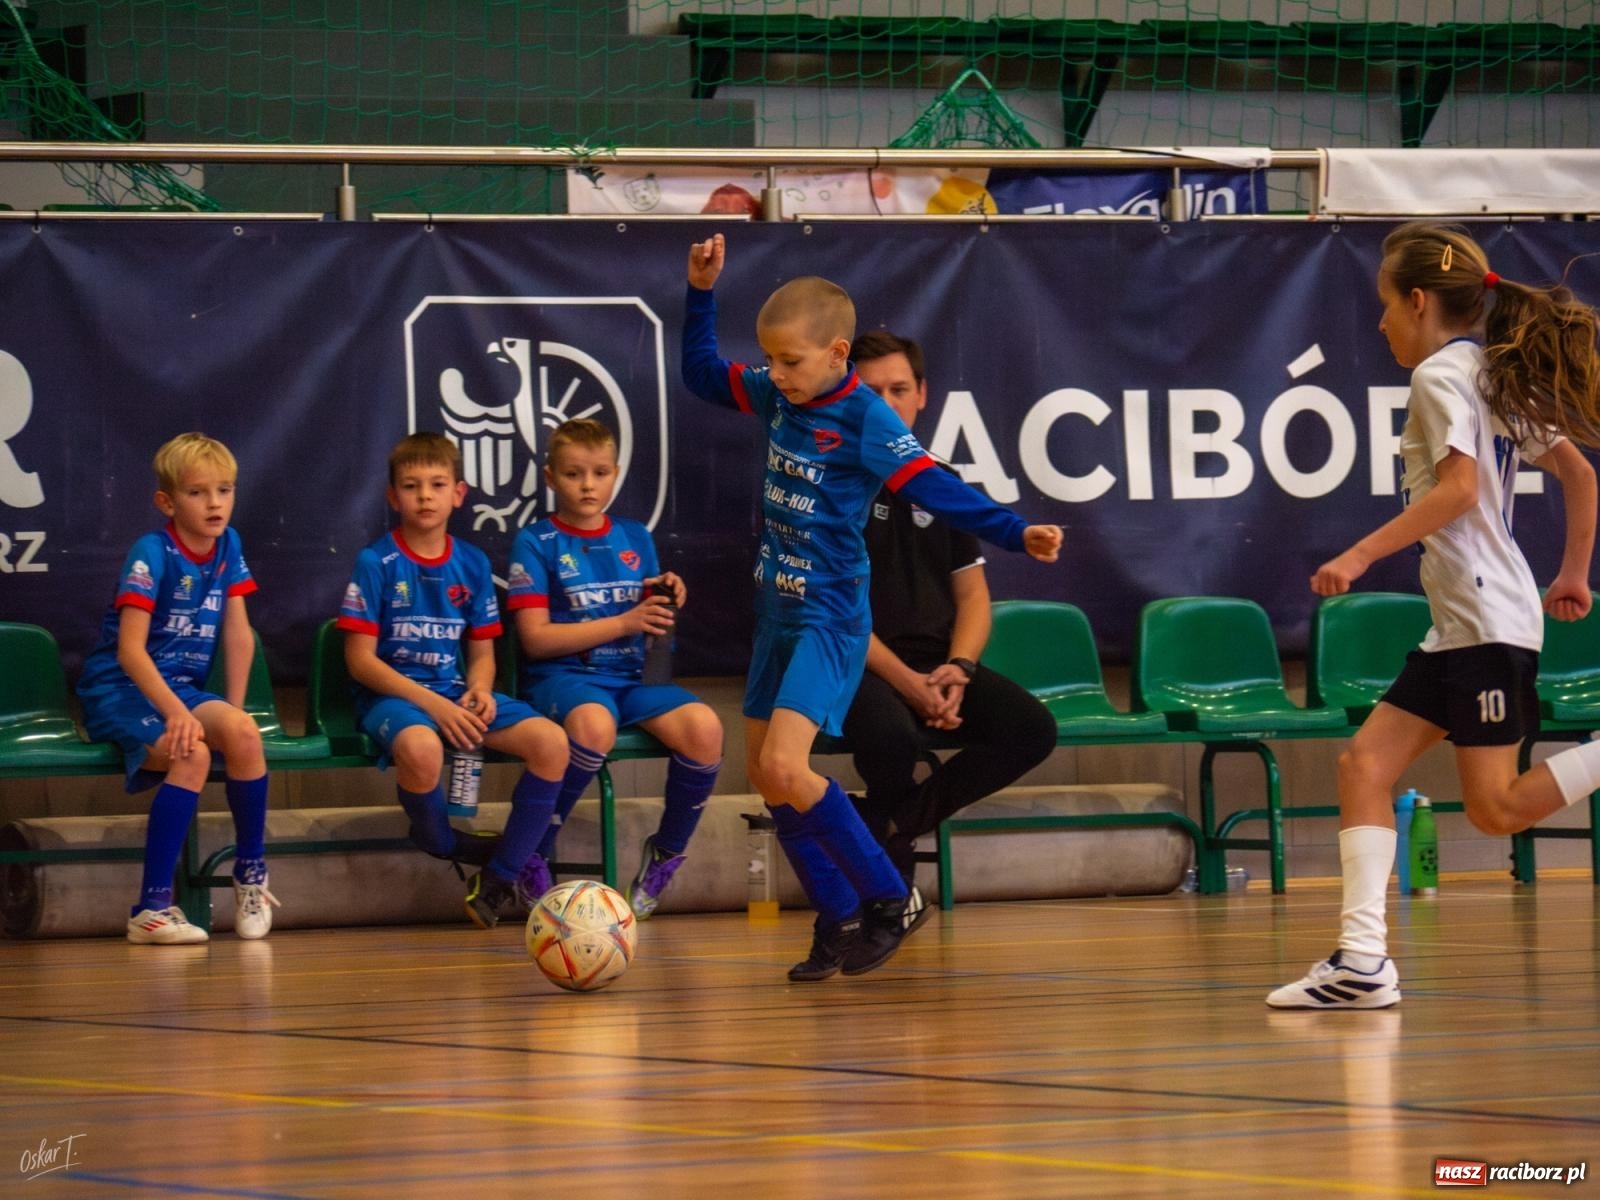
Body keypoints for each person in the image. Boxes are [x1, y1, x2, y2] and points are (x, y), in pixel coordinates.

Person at [682, 232, 1062, 980]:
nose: (778, 376)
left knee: (790, 766)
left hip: (829, 620)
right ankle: (836, 916)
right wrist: (701, 292)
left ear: (836, 352)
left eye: (791, 362)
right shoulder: (779, 391)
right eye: (773, 362)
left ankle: (891, 898)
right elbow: (701, 375)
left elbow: (934, 486)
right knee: (765, 773)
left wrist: (1016, 529)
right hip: (777, 619)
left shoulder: (865, 418)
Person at [1268, 222, 1600, 1010]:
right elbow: (1580, 476)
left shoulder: (1443, 378)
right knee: (1364, 768)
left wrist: (1356, 557)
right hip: (1462, 623)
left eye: (1384, 305)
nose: (1379, 323)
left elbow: (1459, 492)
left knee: (1497, 809)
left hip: (1486, 620)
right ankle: (1361, 963)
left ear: (1418, 302)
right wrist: (1572, 575)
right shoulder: (1488, 374)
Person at [844, 331, 1058, 881]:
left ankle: (889, 825)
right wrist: (909, 684)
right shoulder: (832, 486)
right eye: (871, 394)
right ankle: (889, 883)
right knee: (893, 737)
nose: (886, 404)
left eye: (898, 390)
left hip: (937, 661)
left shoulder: (943, 481)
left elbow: (972, 596)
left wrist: (958, 668)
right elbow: (834, 613)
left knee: (1032, 728)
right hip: (856, 661)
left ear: (922, 395)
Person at [337, 432, 569, 930]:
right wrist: (434, 706)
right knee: (423, 750)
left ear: (458, 494)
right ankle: (441, 842)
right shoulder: (375, 562)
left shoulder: (473, 562)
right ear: (392, 496)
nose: (425, 495)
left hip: (454, 695)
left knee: (552, 743)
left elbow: (482, 653)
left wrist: (480, 690)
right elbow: (360, 661)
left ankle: (502, 876)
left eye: (437, 484)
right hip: (393, 699)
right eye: (412, 485)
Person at [507, 417, 724, 919]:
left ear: (616, 473)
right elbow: (535, 641)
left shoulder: (634, 536)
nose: (588, 485)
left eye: (600, 473)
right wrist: (625, 620)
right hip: (563, 679)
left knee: (705, 728)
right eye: (574, 474)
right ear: (549, 477)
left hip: (633, 680)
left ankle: (665, 854)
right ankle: (533, 852)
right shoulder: (535, 542)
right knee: (594, 725)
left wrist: (664, 596)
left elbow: (648, 621)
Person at [77, 432, 278, 944]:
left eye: (225, 490)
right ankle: (150, 911)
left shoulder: (229, 544)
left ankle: (250, 874)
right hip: (121, 689)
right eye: (197, 492)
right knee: (191, 753)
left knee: (246, 736)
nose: (214, 503)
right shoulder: (152, 552)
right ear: (167, 502)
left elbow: (238, 633)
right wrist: (177, 715)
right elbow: (130, 652)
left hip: (180, 689)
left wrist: (231, 714)